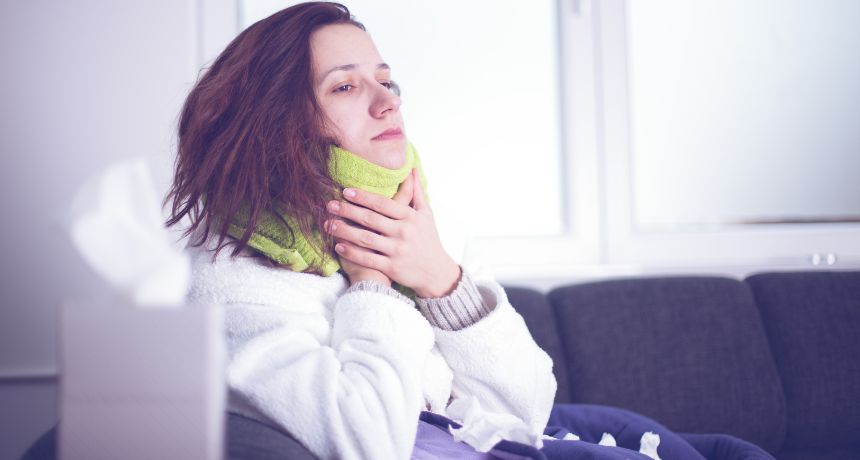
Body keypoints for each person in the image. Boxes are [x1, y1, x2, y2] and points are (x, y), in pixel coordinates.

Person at [164, 3, 701, 460]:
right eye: (346, 85)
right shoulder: (231, 282)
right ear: (277, 127)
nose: (387, 99)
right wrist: (372, 284)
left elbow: (526, 414)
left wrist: (442, 280)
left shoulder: (417, 229)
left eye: (386, 79)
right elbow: (369, 442)